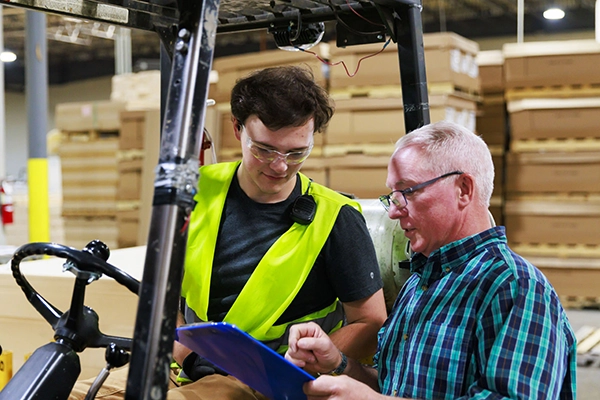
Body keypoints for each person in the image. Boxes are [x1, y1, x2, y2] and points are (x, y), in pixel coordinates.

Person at [69, 66, 386, 400]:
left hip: (271, 382)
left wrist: (294, 364)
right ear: (237, 128)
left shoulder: (336, 218)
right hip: (184, 367)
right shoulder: (195, 191)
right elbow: (162, 295)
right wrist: (185, 355)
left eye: (296, 153)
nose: (280, 166)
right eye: (264, 149)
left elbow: (370, 321)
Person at [284, 120, 577, 399]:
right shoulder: (419, 284)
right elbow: (393, 388)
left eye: (407, 191)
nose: (393, 211)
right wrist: (339, 364)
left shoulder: (515, 287)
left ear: (463, 189)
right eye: (393, 195)